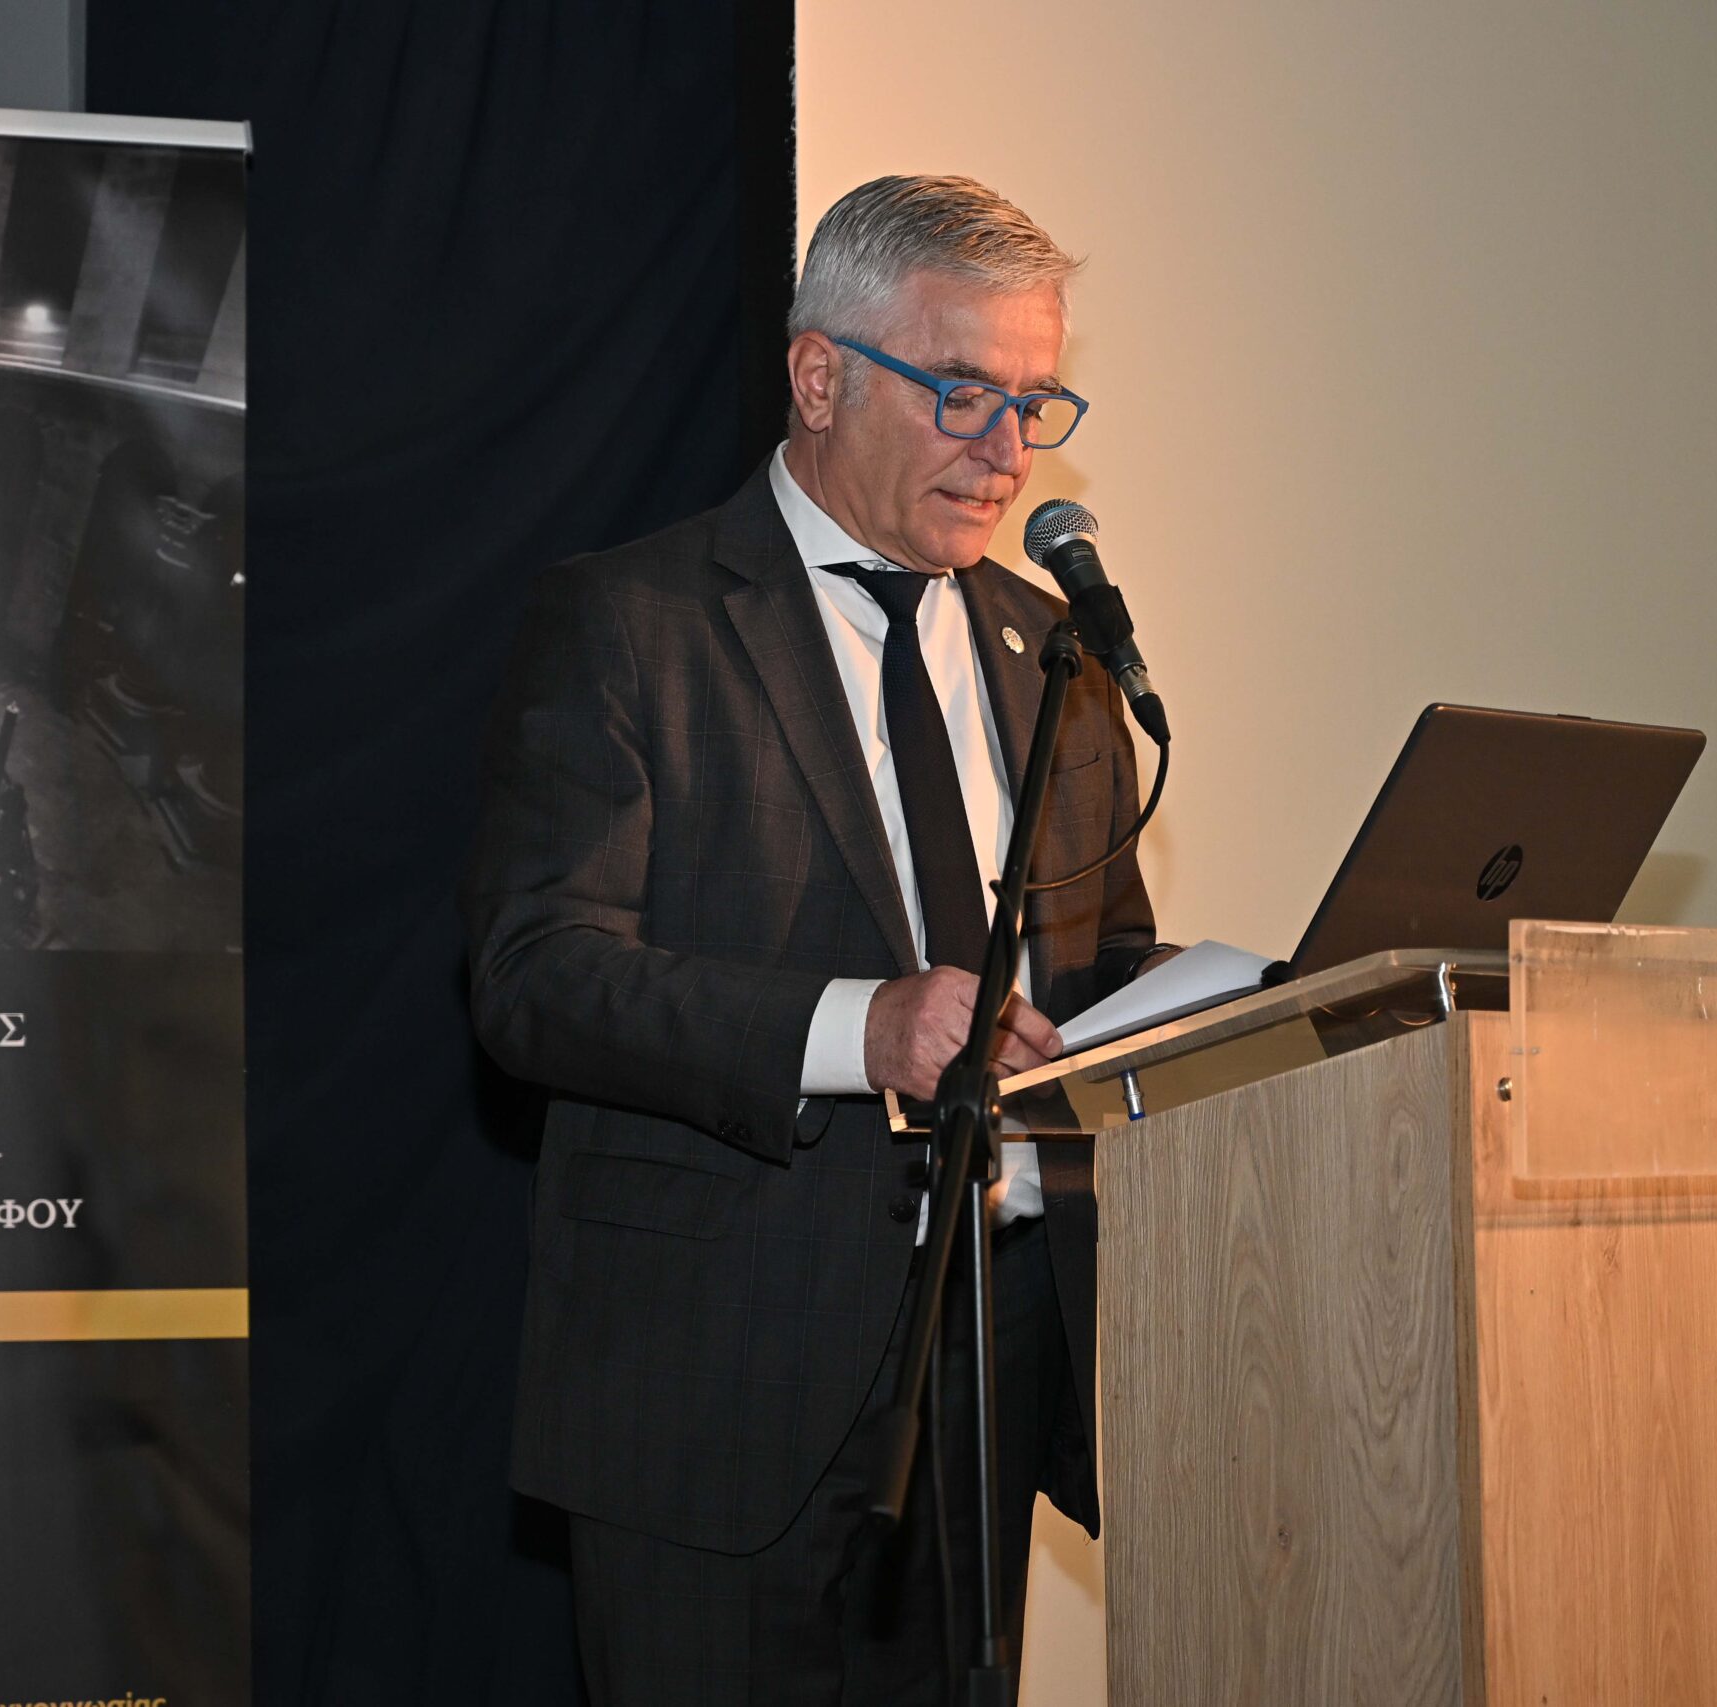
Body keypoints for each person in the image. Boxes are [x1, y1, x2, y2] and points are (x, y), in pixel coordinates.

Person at [465, 174, 1170, 1705]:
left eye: (1035, 404)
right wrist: (863, 1030)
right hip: (716, 1376)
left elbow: (1092, 970)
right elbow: (537, 979)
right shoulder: (633, 623)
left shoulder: (1051, 652)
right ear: (819, 375)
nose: (1007, 451)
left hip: (995, 1356)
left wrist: (1248, 1002)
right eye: (963, 392)